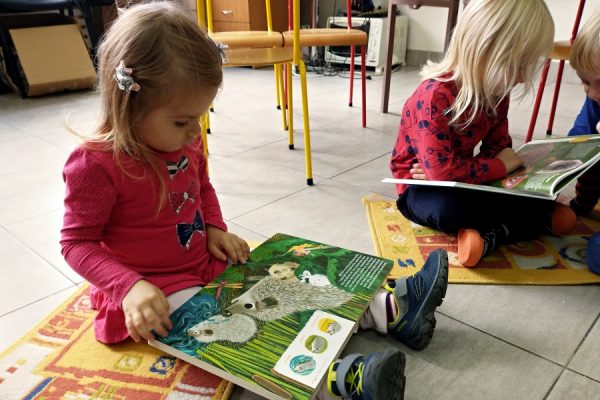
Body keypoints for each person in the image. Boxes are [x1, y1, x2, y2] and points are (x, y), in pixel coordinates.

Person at [60, 3, 448, 400]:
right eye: (182, 121)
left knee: (285, 278)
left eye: (200, 116)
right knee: (223, 328)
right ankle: (336, 382)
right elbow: (76, 243)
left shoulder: (185, 141)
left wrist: (214, 227)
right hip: (153, 289)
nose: (195, 130)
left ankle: (390, 310)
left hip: (204, 262)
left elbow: (202, 187)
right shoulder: (95, 165)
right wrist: (129, 288)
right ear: (129, 104)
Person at [389, 0, 577, 268]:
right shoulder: (434, 97)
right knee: (449, 209)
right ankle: (516, 225)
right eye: (518, 65)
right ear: (483, 50)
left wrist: (503, 168)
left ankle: (493, 231)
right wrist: (496, 166)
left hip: (463, 179)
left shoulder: (497, 93)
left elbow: (499, 150)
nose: (523, 78)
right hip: (420, 188)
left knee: (515, 192)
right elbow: (443, 174)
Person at [566, 9, 600, 275]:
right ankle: (584, 202)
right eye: (584, 82)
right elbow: (578, 141)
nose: (592, 93)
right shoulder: (595, 100)